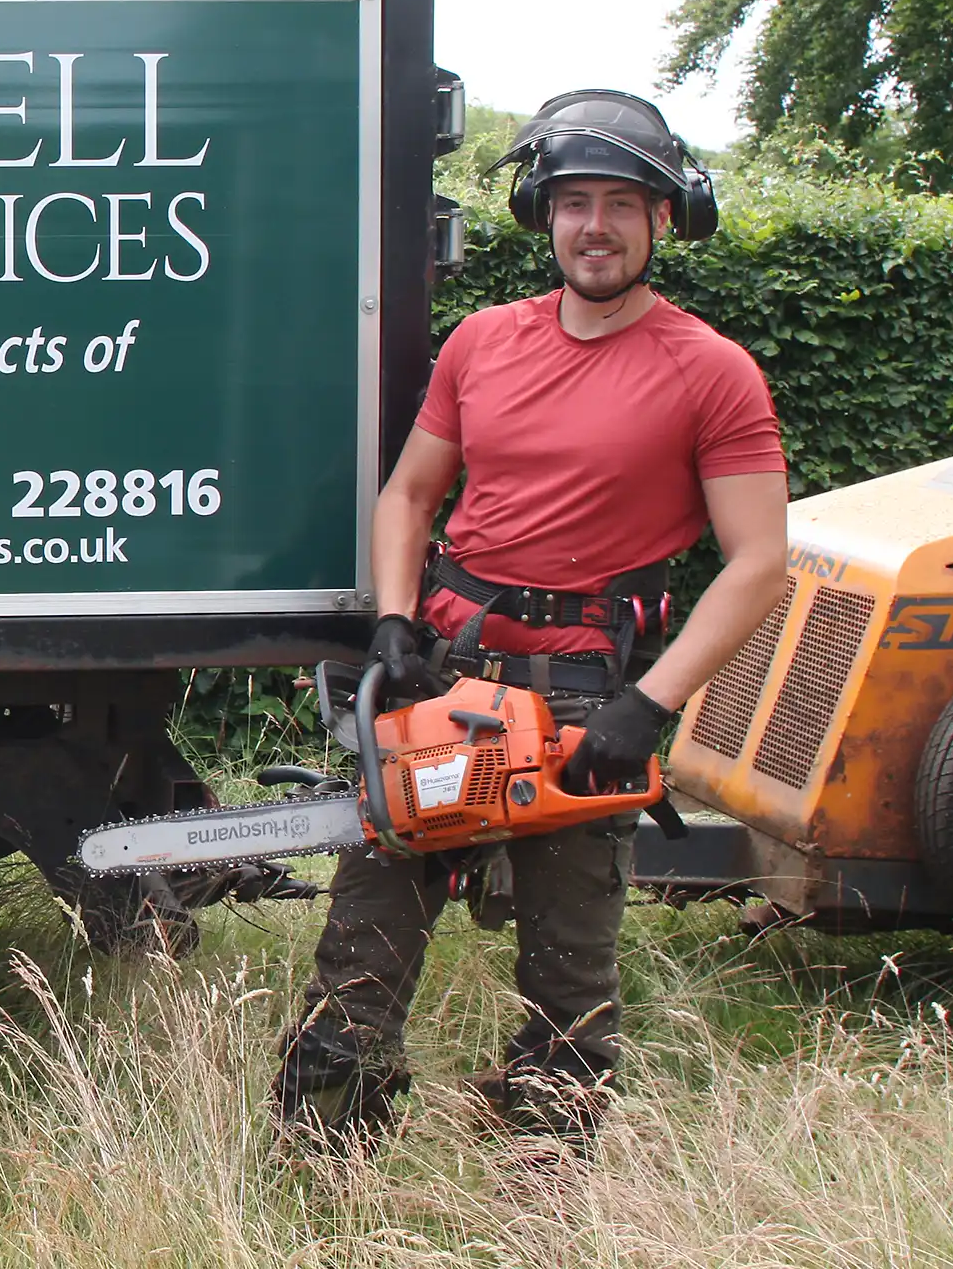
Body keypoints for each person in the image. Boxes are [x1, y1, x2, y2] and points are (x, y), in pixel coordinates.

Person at [275, 90, 789, 1147]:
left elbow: (759, 562)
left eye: (618, 204)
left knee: (570, 992)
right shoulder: (483, 343)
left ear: (662, 220)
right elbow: (411, 494)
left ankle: (543, 1202)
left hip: (584, 706)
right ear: (541, 215)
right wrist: (395, 619)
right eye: (572, 203)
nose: (592, 226)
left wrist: (648, 706)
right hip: (446, 684)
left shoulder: (713, 371)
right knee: (358, 958)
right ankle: (319, 1166)